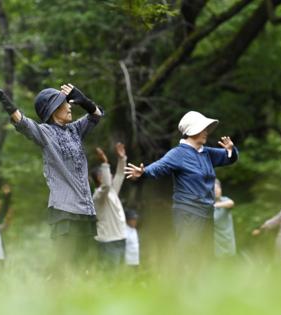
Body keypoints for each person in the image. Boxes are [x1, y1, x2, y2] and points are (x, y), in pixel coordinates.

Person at [0, 80, 104, 265]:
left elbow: (96, 115)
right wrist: (0, 95)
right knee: (66, 265)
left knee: (87, 266)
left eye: (69, 102)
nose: (69, 106)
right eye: (64, 103)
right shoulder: (44, 133)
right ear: (53, 110)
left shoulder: (75, 130)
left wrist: (83, 100)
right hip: (64, 211)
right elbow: (21, 121)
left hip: (86, 209)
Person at [124, 111, 238, 260]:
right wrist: (144, 171)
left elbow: (229, 158)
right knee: (189, 255)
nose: (206, 132)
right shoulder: (178, 154)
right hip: (188, 212)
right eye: (203, 129)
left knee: (206, 256)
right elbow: (160, 166)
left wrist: (231, 150)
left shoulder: (207, 153)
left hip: (207, 212)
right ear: (192, 131)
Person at [91, 143, 128, 268]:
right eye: (107, 173)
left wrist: (122, 159)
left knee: (119, 278)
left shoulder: (112, 192)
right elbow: (106, 186)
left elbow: (120, 175)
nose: (111, 175)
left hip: (120, 239)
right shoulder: (98, 197)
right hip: (108, 242)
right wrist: (105, 162)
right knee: (110, 278)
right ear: (101, 178)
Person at [213, 179, 236, 258]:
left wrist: (215, 205)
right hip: (215, 245)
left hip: (227, 241)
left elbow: (231, 203)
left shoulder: (224, 200)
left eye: (218, 188)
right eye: (214, 189)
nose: (217, 191)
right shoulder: (207, 203)